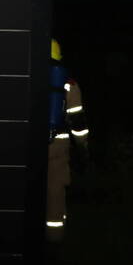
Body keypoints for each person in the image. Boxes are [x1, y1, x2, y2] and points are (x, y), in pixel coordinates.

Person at [47, 39, 89, 243]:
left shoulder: (28, 75)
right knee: (56, 190)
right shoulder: (68, 83)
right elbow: (78, 122)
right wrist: (83, 148)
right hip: (59, 144)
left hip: (30, 143)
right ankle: (54, 241)